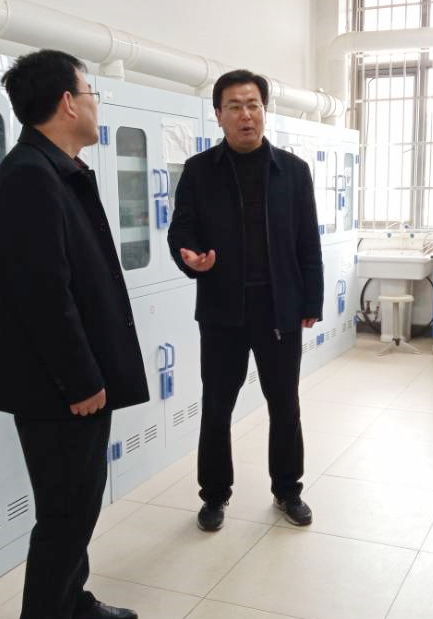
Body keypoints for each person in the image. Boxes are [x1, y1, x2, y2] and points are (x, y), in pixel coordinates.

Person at [0, 49, 150, 619]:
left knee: (77, 505)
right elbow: (42, 295)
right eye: (90, 93)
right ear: (67, 102)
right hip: (59, 389)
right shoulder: (31, 175)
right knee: (63, 514)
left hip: (71, 381)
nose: (94, 104)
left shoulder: (58, 168)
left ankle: (72, 602)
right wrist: (81, 380)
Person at [167, 69, 323, 532]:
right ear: (218, 115)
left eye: (253, 105)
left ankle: (288, 490)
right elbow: (181, 230)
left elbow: (307, 242)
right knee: (217, 407)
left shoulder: (293, 171)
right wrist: (190, 257)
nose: (245, 115)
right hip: (222, 309)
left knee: (284, 404)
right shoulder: (199, 171)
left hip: (279, 308)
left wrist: (311, 300)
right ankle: (214, 496)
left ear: (264, 111)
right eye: (234, 106)